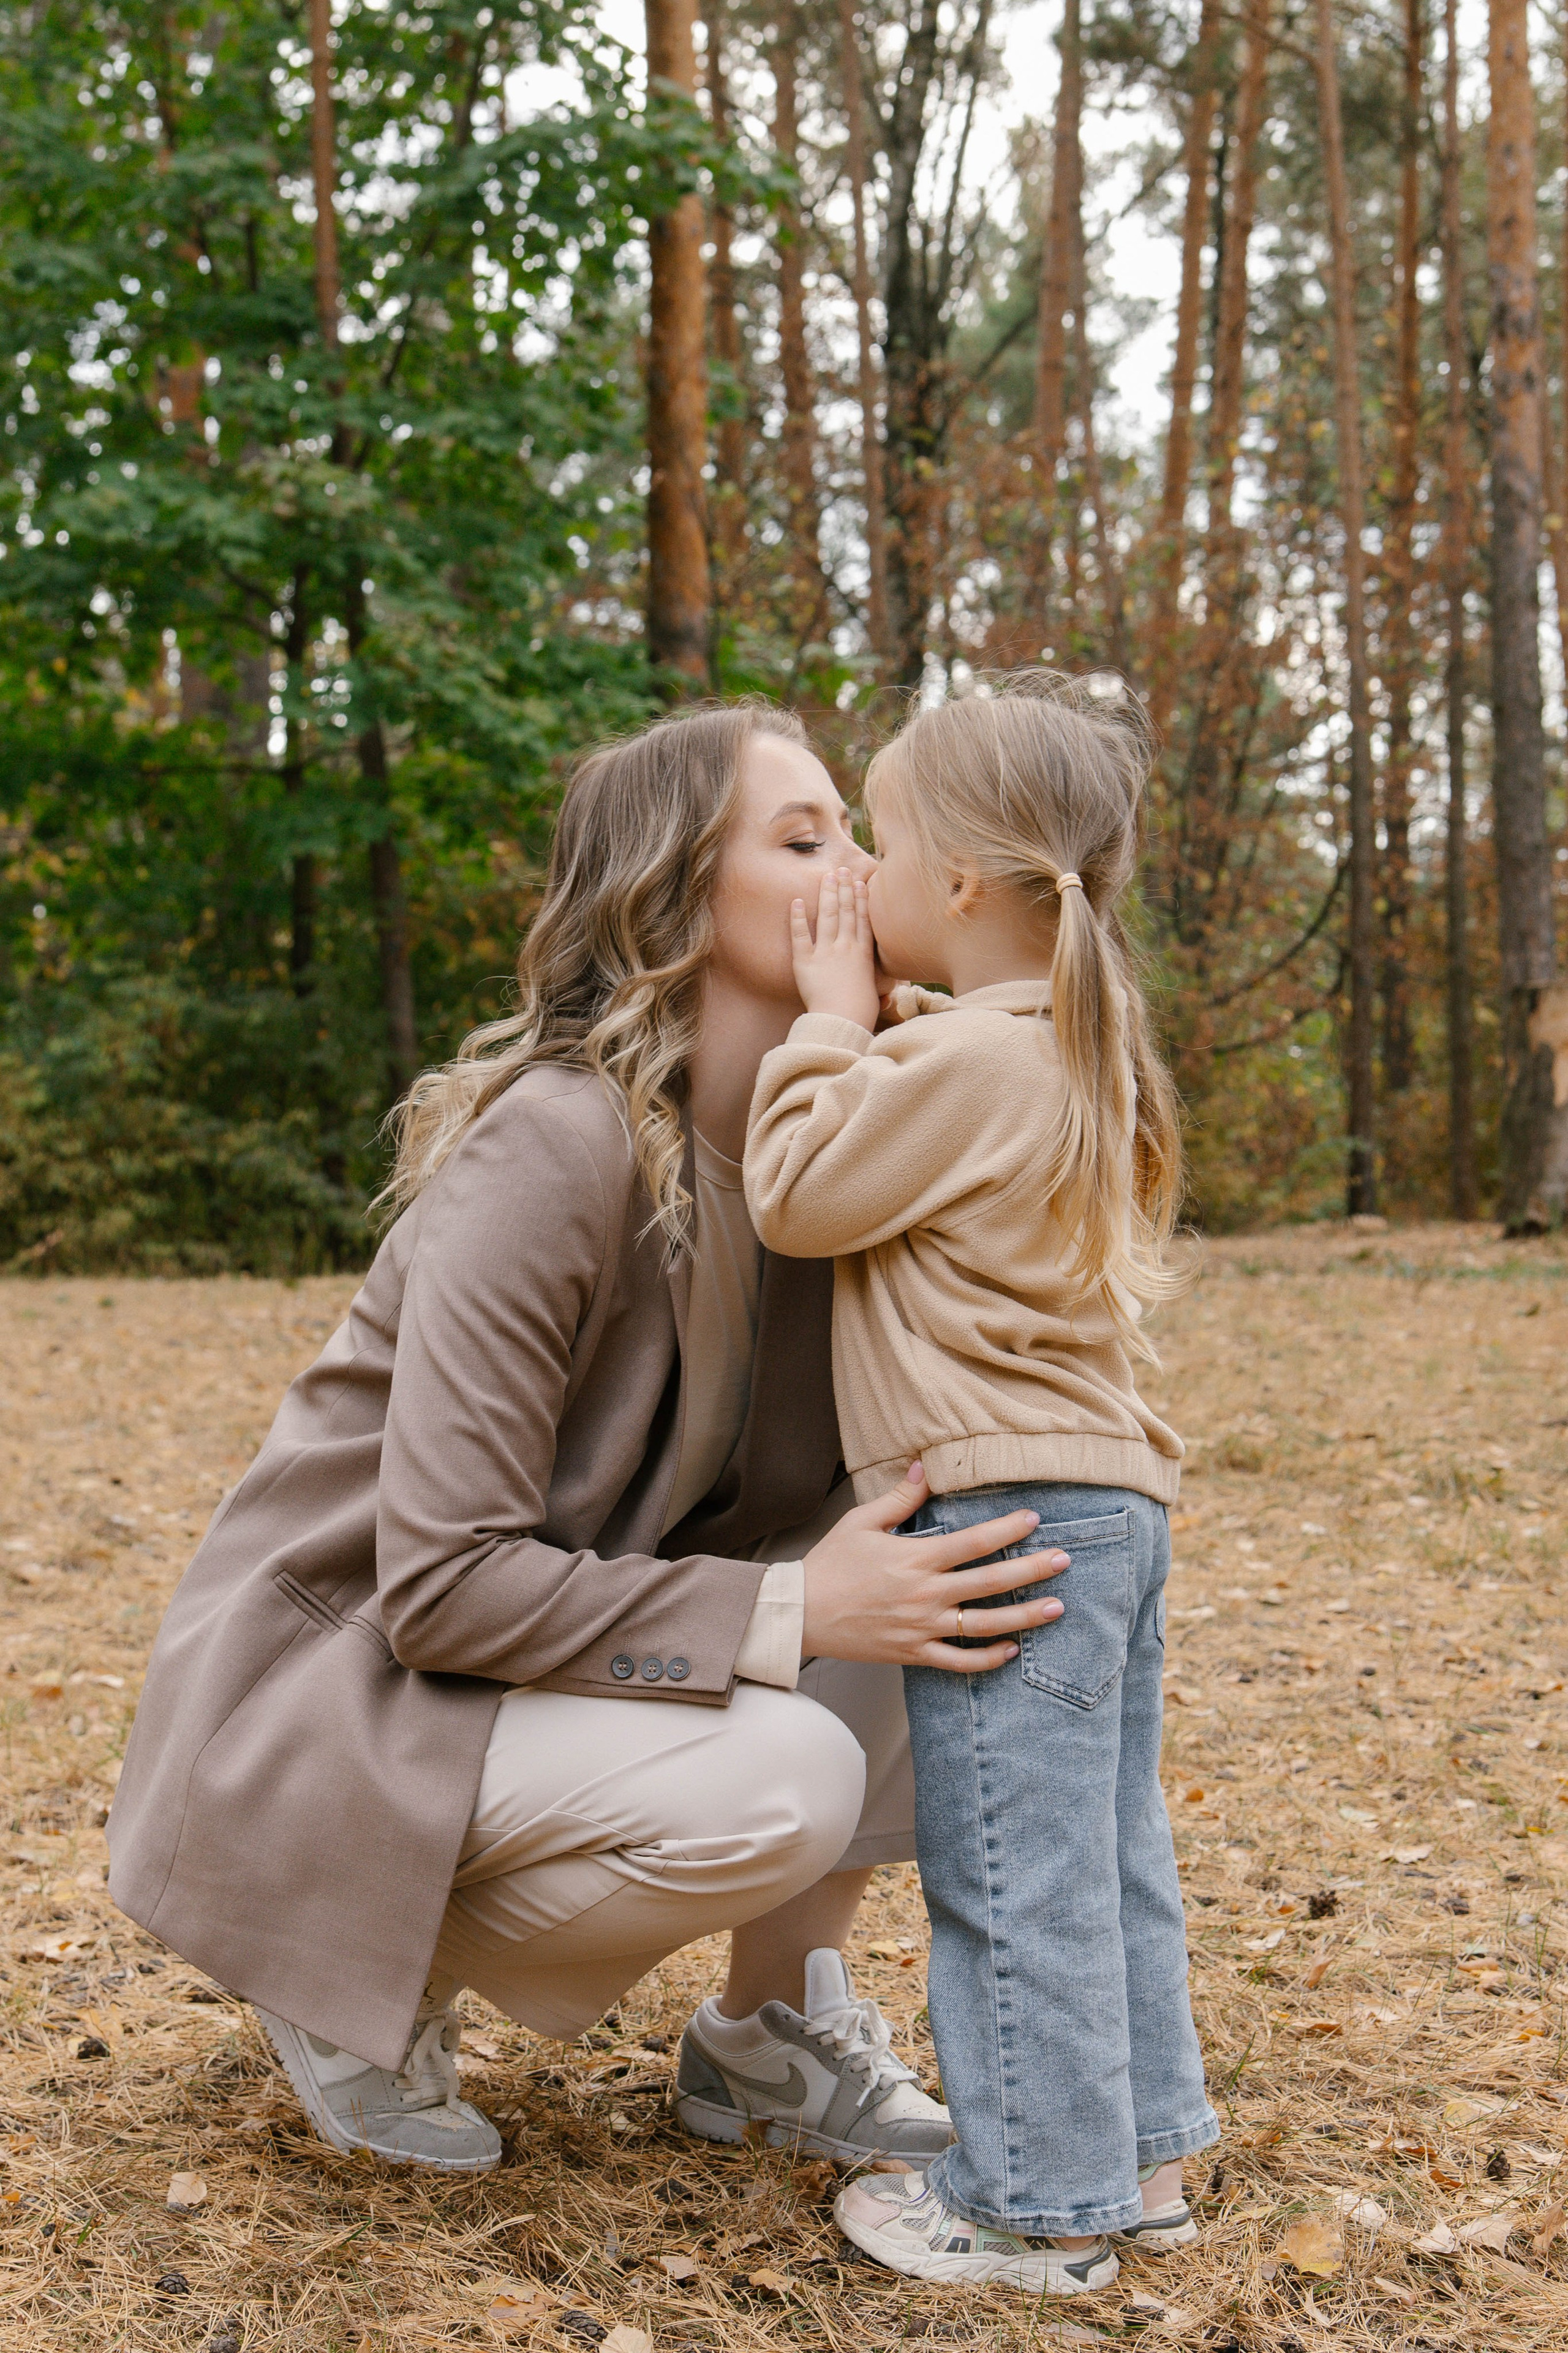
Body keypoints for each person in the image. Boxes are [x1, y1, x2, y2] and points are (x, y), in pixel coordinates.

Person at [106, 701, 1070, 2177]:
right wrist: (797, 1607)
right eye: (803, 837)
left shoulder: (839, 1151)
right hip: (348, 1689)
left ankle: (764, 2036)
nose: (861, 870)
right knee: (787, 1768)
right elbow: (440, 1583)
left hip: (546, 1656)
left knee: (951, 1571)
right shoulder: (553, 1144)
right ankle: (351, 1974)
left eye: (859, 834)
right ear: (674, 899)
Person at [744, 673, 1219, 2295]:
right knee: (1106, 1856)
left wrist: (820, 1018)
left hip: (1005, 1511)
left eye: (872, 845)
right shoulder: (1065, 1044)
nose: (853, 883)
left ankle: (1033, 2211)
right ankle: (1138, 2155)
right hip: (1112, 1509)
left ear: (953, 881)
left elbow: (798, 1188)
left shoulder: (969, 1063)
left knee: (1009, 1875)